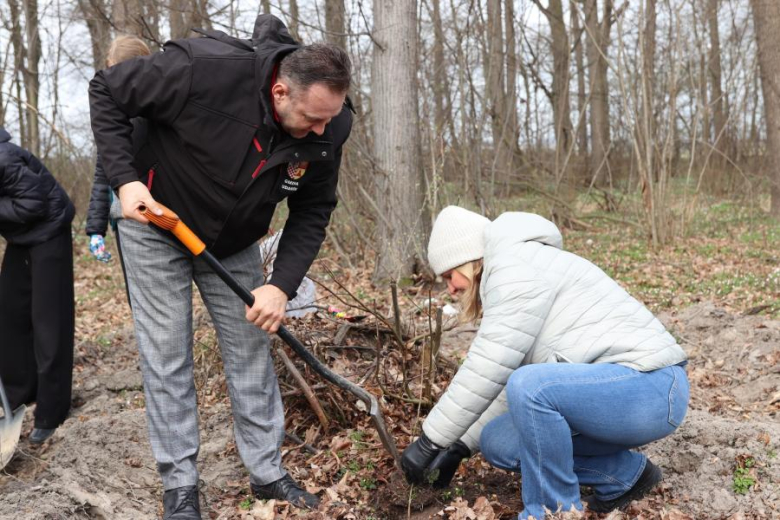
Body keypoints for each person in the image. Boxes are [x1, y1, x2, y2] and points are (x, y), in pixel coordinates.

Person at [89, 14, 351, 520]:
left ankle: (267, 473)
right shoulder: (202, 71)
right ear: (279, 92)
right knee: (167, 355)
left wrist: (281, 285)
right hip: (156, 220)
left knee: (252, 347)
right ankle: (181, 488)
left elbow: (313, 210)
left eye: (330, 119)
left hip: (233, 238)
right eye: (314, 119)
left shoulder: (330, 123)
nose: (324, 130)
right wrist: (124, 181)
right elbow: (106, 90)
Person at [401, 206, 690, 519]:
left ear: (468, 259)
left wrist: (431, 441)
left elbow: (489, 366)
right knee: (498, 441)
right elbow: (504, 378)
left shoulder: (515, 265)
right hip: (620, 394)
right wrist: (458, 446)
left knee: (530, 386)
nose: (451, 288)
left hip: (653, 388)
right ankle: (624, 476)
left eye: (449, 276)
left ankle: (553, 511)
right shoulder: (514, 269)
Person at [0, 126, 75, 445]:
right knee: (10, 316)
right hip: (22, 237)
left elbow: (33, 205)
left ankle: (52, 411)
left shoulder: (3, 158)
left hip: (49, 233)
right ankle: (19, 394)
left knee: (49, 323)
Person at [86, 35, 151, 266]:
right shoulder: (111, 115)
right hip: (124, 216)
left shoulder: (158, 106)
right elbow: (103, 172)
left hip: (150, 216)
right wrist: (96, 228)